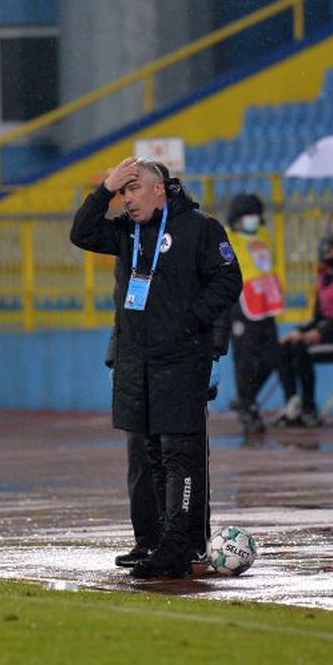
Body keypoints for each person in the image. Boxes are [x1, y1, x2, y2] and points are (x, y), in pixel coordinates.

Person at [70, 157, 242, 579]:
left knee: (179, 455)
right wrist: (103, 189)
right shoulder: (128, 233)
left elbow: (228, 279)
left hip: (181, 361)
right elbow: (82, 233)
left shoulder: (200, 228)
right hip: (137, 361)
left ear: (158, 189)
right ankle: (157, 541)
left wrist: (192, 323)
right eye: (122, 192)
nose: (126, 200)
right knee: (149, 457)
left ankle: (180, 546)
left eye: (133, 190)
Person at [275, 235, 333, 427]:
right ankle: (293, 403)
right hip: (328, 335)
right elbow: (319, 317)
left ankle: (309, 408)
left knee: (304, 350)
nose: (331, 255)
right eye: (327, 252)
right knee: (285, 347)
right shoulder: (323, 280)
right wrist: (300, 331)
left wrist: (321, 332)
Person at [224, 193, 284, 435]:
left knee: (272, 357)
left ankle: (244, 398)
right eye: (248, 215)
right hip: (240, 306)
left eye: (255, 215)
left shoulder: (264, 236)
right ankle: (248, 408)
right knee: (245, 361)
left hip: (265, 305)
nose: (252, 220)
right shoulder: (227, 239)